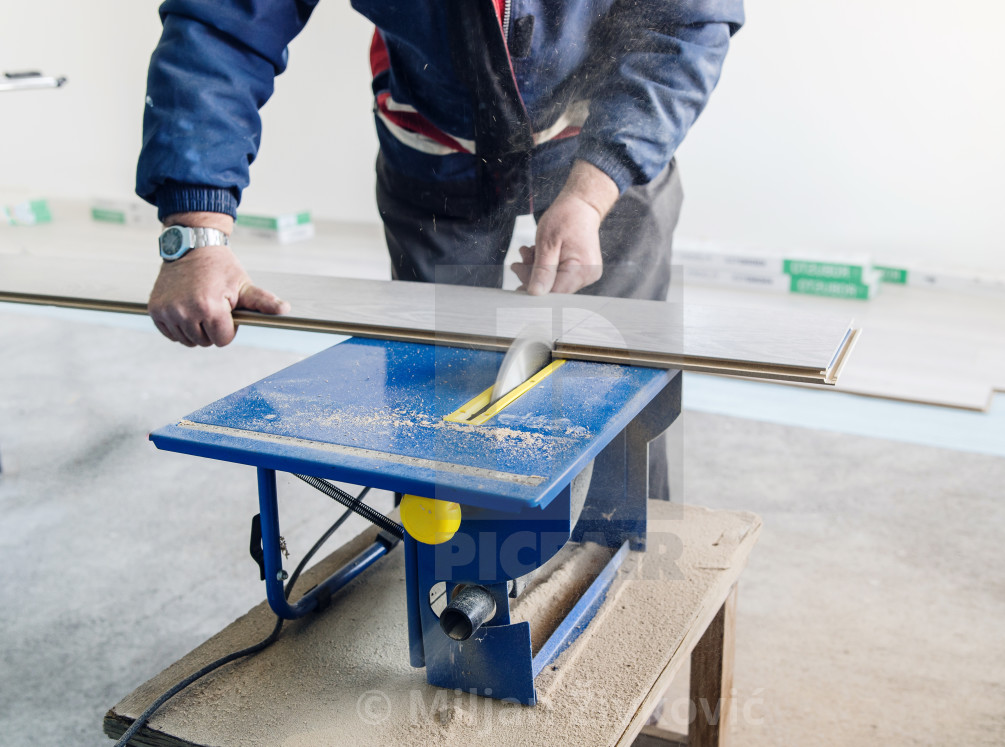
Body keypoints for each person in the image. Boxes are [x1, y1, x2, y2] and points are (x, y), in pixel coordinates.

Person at [138, 0, 743, 500]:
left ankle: (616, 566)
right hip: (437, 152)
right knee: (439, 394)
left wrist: (591, 193)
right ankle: (453, 581)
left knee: (612, 383)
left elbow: (688, 23)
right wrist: (196, 232)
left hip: (607, 142)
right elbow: (222, 26)